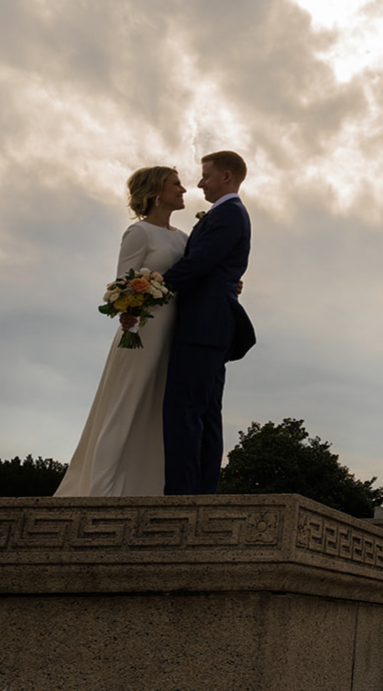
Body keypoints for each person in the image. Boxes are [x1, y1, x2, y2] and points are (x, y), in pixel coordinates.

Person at [57, 166, 189, 496]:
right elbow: (123, 283)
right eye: (176, 184)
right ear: (157, 192)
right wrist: (128, 314)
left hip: (176, 329)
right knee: (127, 402)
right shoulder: (139, 233)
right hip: (143, 331)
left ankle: (146, 488)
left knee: (158, 406)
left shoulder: (182, 237)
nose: (183, 189)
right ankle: (102, 488)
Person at [160, 151, 255, 496]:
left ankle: (182, 497)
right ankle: (200, 493)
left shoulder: (229, 214)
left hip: (203, 327)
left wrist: (151, 289)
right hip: (211, 327)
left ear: (226, 176)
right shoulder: (228, 214)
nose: (199, 182)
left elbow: (200, 263)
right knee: (205, 414)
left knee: (184, 412)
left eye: (205, 175)